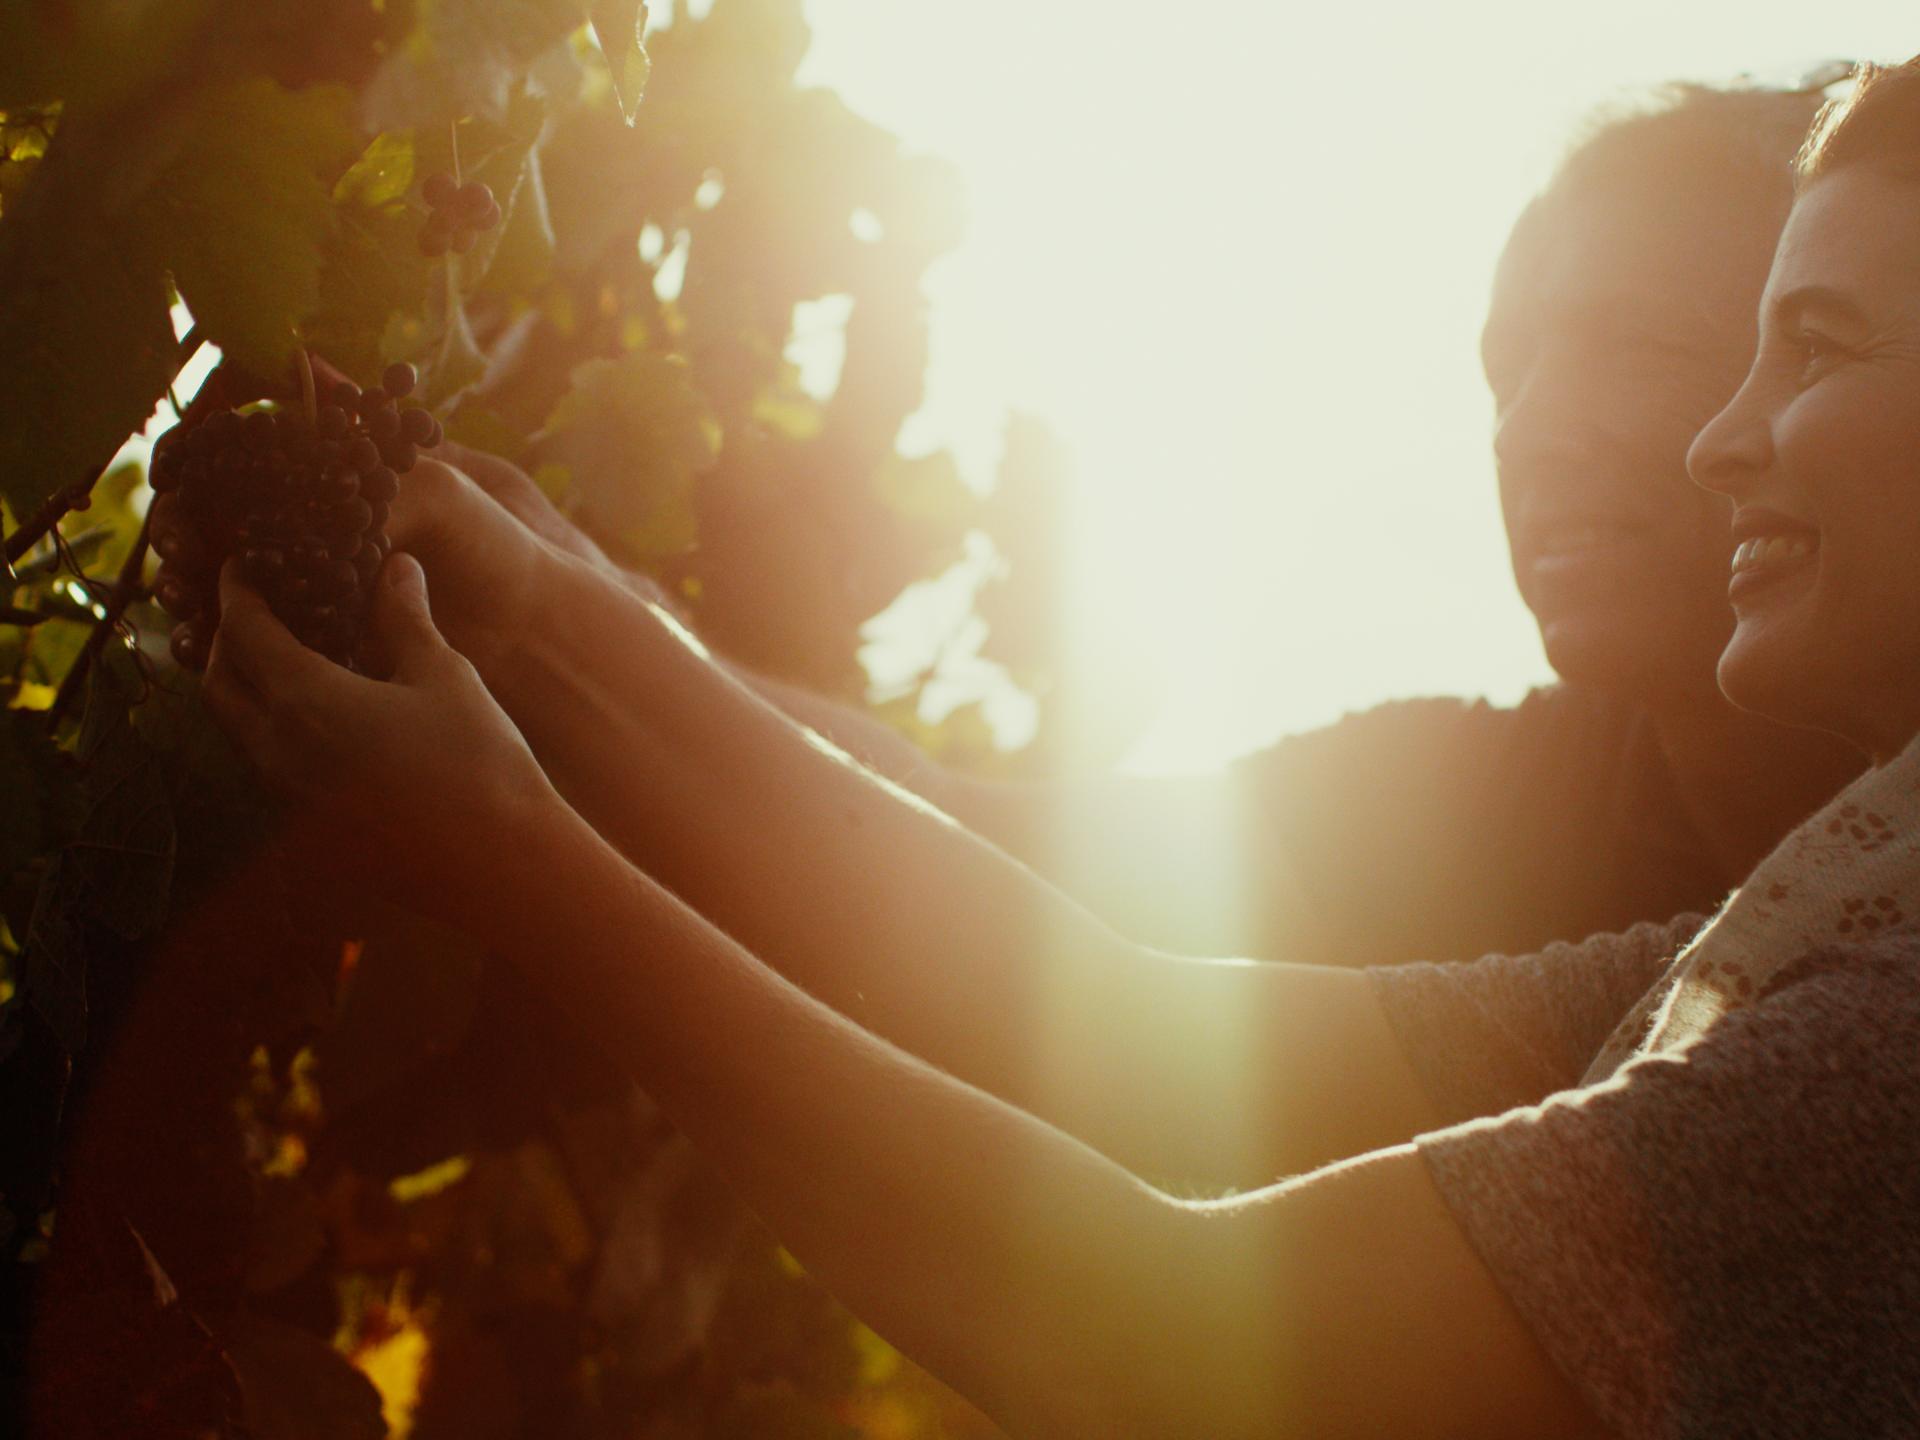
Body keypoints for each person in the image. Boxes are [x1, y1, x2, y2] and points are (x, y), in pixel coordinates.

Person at [201, 58, 1920, 1435]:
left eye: (1805, 347)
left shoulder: (1873, 1033)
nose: (1709, 443)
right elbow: (1106, 1002)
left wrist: (516, 847)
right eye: (1506, 365)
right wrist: (552, 627)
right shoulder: (1778, 934)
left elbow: (1151, 1334)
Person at [440, 80, 1862, 972]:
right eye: (1507, 367)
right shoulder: (1501, 793)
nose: (1530, 429)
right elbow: (995, 843)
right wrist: (572, 594)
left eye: (1640, 345)